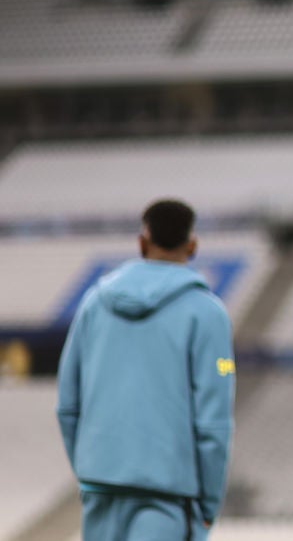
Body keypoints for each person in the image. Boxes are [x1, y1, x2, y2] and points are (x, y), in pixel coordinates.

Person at [57, 199, 235, 541]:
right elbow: (213, 422)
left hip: (101, 485)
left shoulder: (94, 303)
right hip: (170, 492)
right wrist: (208, 504)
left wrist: (91, 465)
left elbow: (67, 406)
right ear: (192, 245)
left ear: (141, 243)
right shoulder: (207, 313)